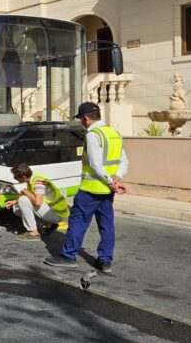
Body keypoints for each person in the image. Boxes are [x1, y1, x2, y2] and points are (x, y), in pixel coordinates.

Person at [44, 102, 128, 273]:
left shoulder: (92, 135)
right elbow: (124, 161)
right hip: (107, 192)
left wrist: (109, 181)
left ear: (86, 118)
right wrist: (115, 180)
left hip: (91, 190)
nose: (82, 123)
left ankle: (68, 257)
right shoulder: (114, 133)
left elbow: (96, 165)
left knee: (78, 222)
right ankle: (104, 261)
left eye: (82, 120)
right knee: (106, 225)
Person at [6, 163, 69, 241]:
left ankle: (34, 233)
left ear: (24, 177)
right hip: (52, 211)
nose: (15, 179)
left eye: (16, 177)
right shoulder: (31, 180)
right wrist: (15, 201)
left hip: (57, 214)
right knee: (17, 209)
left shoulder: (38, 182)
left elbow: (37, 202)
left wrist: (25, 192)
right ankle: (48, 225)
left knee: (23, 200)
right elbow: (32, 198)